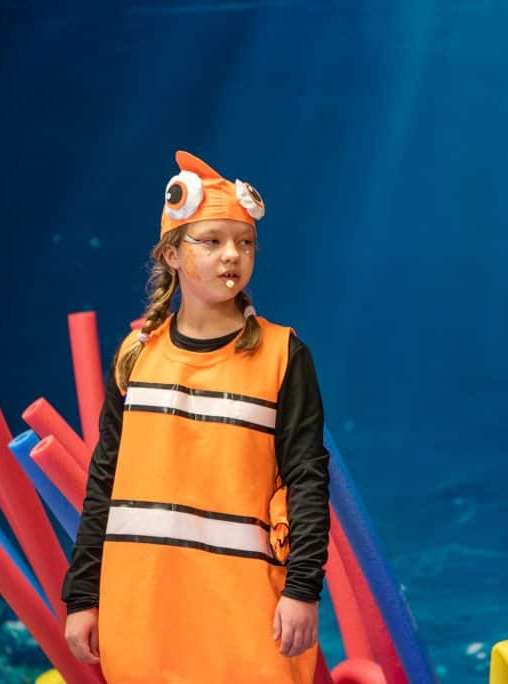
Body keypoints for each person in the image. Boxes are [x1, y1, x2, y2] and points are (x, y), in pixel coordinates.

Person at [61, 150, 330, 683]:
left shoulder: (284, 354)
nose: (232, 255)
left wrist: (302, 589)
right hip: (141, 610)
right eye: (211, 241)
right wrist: (83, 596)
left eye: (245, 242)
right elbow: (104, 483)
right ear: (172, 254)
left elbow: (308, 479)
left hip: (248, 613)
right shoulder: (135, 354)